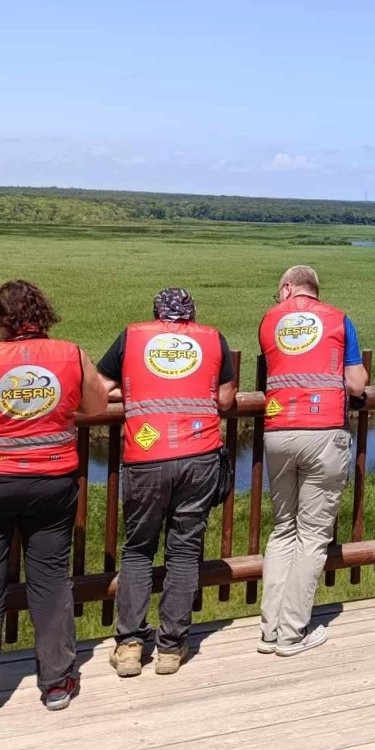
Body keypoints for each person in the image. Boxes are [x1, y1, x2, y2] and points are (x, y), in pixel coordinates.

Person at [0, 280, 108, 723]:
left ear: (1, 319)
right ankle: (57, 683)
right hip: (52, 482)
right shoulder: (70, 354)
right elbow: (96, 406)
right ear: (44, 315)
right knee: (50, 581)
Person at [99, 288, 238, 677]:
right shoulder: (213, 338)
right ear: (191, 315)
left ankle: (129, 647)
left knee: (139, 549)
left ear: (156, 314)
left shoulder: (133, 336)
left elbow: (98, 387)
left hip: (146, 454)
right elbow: (226, 399)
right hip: (200, 454)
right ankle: (171, 649)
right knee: (183, 550)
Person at [257, 265, 367, 656]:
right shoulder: (339, 320)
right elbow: (356, 383)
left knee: (283, 529)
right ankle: (292, 633)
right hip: (324, 433)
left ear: (287, 288)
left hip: (277, 431)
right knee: (313, 535)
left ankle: (270, 629)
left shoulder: (269, 321)